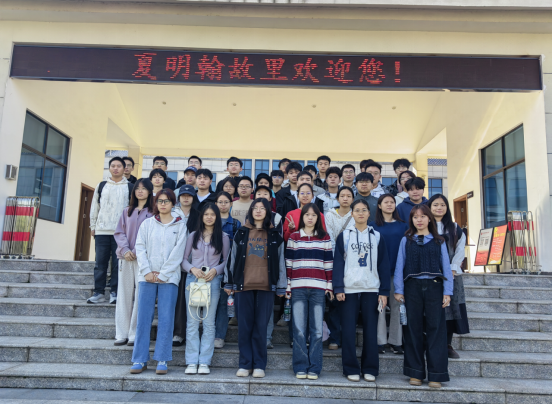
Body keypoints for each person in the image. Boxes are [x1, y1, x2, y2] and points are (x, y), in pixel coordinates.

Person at [224, 198, 287, 379]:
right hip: (243, 286)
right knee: (244, 327)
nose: (258, 211)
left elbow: (281, 262)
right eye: (255, 208)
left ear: (268, 212)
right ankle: (245, 364)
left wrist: (281, 286)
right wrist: (229, 282)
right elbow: (232, 258)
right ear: (250, 211)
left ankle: (259, 365)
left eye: (262, 208)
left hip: (266, 287)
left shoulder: (275, 235)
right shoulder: (241, 233)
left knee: (261, 327)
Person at [394, 204, 453, 389]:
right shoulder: (406, 240)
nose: (418, 220)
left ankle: (437, 374)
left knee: (437, 329)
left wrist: (448, 291)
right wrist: (398, 289)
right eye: (415, 217)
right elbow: (399, 265)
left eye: (422, 216)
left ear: (429, 218)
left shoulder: (439, 241)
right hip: (412, 287)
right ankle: (415, 372)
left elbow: (446, 267)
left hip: (435, 287)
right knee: (413, 329)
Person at [131, 189, 188, 376]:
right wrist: (147, 271)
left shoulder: (180, 225)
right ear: (155, 203)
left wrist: (163, 274)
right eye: (160, 201)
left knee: (166, 318)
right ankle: (139, 359)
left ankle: (162, 359)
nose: (163, 204)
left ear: (173, 204)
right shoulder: (147, 224)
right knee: (143, 318)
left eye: (167, 201)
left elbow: (178, 252)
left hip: (169, 278)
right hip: (146, 277)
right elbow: (140, 247)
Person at [333, 199, 391, 383]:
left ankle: (370, 369)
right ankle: (350, 368)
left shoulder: (377, 236)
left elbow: (383, 265)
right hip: (348, 289)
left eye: (364, 210)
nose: (360, 213)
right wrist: (338, 287)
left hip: (371, 288)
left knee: (370, 331)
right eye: (357, 210)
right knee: (348, 331)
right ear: (352, 214)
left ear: (369, 213)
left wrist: (384, 291)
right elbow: (338, 263)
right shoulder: (344, 236)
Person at [285, 203, 334, 380]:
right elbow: (289, 264)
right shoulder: (294, 237)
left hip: (318, 288)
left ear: (318, 218)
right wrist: (288, 286)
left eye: (314, 215)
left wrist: (329, 285)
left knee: (317, 330)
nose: (310, 218)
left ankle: (314, 367)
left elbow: (328, 264)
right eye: (307, 215)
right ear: (302, 217)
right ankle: (300, 366)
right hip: (297, 287)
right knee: (298, 329)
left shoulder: (324, 237)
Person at [182, 204, 231, 375]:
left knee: (209, 323)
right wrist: (192, 269)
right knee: (192, 322)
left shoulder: (223, 237)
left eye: (212, 214)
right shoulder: (193, 236)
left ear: (217, 217)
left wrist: (216, 270)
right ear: (201, 217)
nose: (209, 217)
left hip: (212, 282)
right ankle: (191, 361)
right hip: (193, 281)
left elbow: (227, 260)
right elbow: (183, 260)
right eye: (206, 214)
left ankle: (204, 361)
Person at [113, 179, 155, 346]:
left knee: (140, 296)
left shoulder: (153, 213)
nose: (140, 191)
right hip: (125, 258)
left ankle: (134, 333)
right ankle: (121, 333)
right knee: (123, 295)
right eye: (137, 188)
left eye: (144, 188)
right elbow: (119, 232)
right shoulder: (126, 211)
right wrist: (125, 250)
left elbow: (151, 235)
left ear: (149, 191)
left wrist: (137, 251)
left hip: (143, 259)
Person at [428, 194, 470, 360]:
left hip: (451, 275)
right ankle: (430, 342)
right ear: (429, 207)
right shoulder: (424, 224)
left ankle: (447, 344)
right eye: (435, 205)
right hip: (429, 275)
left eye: (442, 205)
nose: (439, 208)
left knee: (449, 310)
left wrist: (452, 269)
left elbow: (460, 249)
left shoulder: (454, 227)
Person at [88, 157, 133, 305]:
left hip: (120, 233)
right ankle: (99, 292)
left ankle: (115, 292)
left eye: (119, 166)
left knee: (117, 265)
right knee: (100, 263)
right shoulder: (102, 185)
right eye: (113, 166)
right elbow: (94, 207)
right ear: (109, 168)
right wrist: (93, 226)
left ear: (124, 169)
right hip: (102, 231)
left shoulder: (129, 187)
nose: (116, 168)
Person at [371, 194, 409, 356]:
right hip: (378, 273)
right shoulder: (373, 226)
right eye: (385, 202)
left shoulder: (403, 226)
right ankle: (380, 341)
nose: (389, 204)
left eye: (392, 202)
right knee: (380, 307)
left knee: (397, 306)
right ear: (379, 206)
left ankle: (396, 341)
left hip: (397, 272)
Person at [323, 186, 354, 351]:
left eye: (349, 196)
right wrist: (337, 258)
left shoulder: (355, 215)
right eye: (342, 195)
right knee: (334, 301)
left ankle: (347, 338)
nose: (345, 198)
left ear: (353, 199)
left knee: (349, 303)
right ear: (338, 198)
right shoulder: (329, 215)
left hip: (352, 263)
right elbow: (329, 237)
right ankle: (334, 338)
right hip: (333, 261)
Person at [172, 185, 201, 348]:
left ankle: (179, 333)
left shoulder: (198, 215)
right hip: (170, 263)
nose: (186, 198)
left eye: (189, 195)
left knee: (183, 301)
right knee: (171, 300)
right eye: (183, 195)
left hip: (188, 263)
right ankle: (169, 331)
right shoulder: (171, 213)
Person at [214, 191, 242, 350]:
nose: (223, 205)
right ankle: (208, 334)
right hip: (209, 268)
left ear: (231, 204)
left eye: (226, 202)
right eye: (220, 202)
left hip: (227, 269)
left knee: (224, 304)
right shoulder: (209, 221)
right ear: (216, 204)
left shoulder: (236, 224)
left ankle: (219, 336)